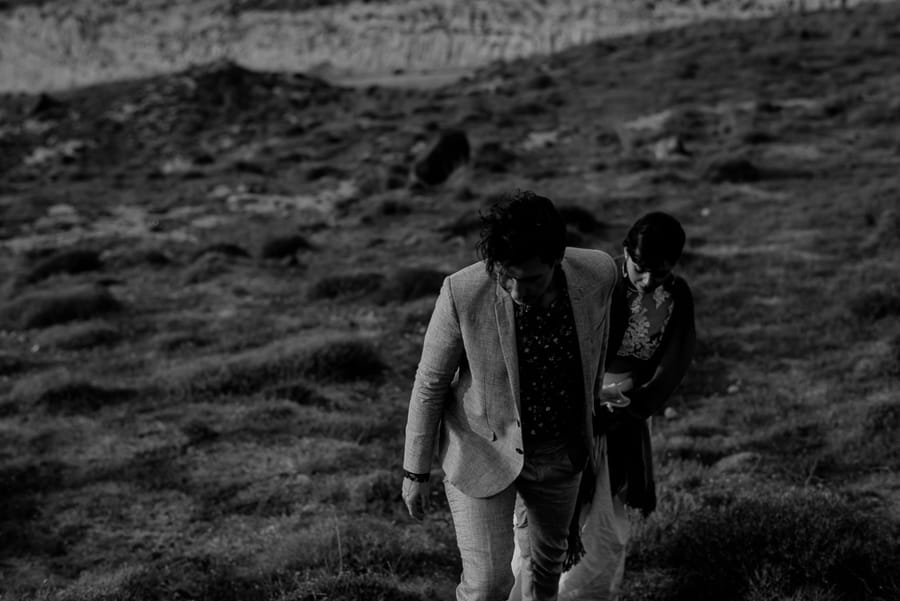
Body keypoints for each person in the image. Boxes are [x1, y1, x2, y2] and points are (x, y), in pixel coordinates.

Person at [401, 190, 619, 601]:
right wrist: (415, 472)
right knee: (487, 586)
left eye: (531, 278)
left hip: (560, 452)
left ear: (559, 258)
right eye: (506, 275)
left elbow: (599, 340)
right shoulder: (462, 291)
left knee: (544, 578)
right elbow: (430, 382)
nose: (517, 289)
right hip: (480, 449)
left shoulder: (599, 273)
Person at [508, 210, 696, 601]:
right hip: (566, 413)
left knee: (604, 528)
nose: (647, 281)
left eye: (659, 273)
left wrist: (631, 407)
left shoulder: (677, 296)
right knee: (546, 518)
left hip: (625, 417)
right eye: (640, 268)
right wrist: (582, 402)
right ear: (625, 250)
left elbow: (673, 365)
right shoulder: (595, 281)